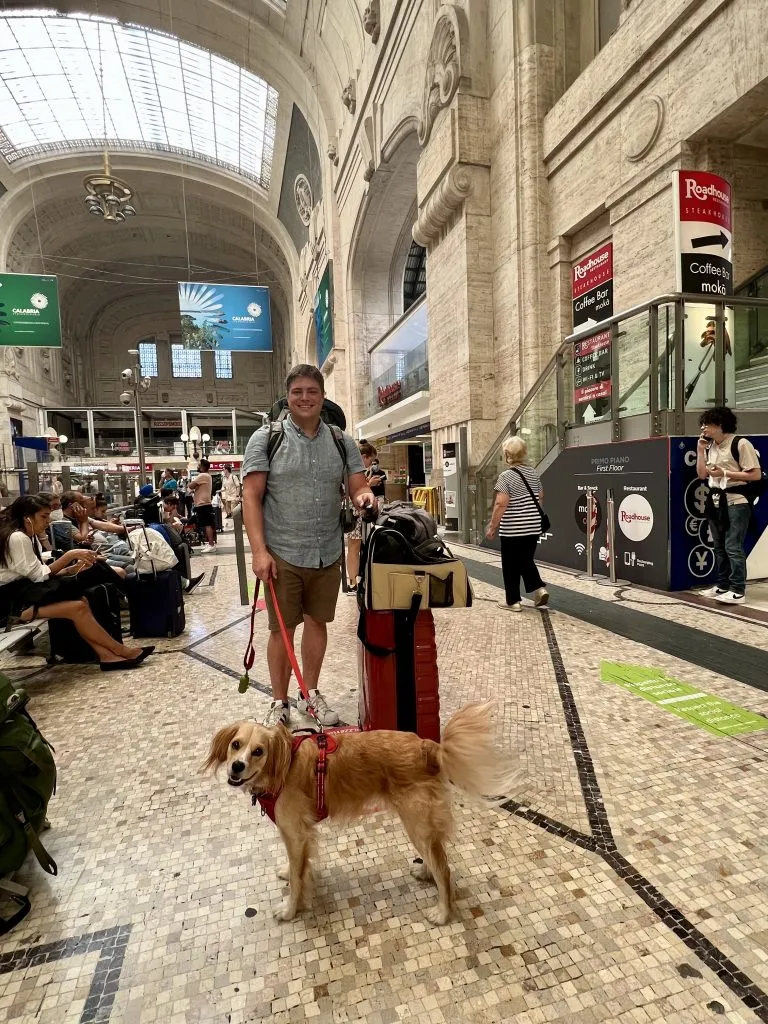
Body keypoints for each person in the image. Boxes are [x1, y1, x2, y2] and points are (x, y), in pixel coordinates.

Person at [242, 364, 375, 727]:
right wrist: (259, 551)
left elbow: (357, 485)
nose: (304, 398)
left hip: (326, 550)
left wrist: (364, 497)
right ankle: (279, 700)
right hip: (282, 552)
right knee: (281, 628)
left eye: (311, 392)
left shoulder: (340, 440)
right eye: (297, 391)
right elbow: (251, 496)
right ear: (288, 397)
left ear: (322, 396)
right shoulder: (266, 438)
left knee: (318, 622)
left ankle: (309, 693)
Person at [0, 496, 153, 670]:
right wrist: (70, 556)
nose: (48, 521)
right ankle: (120, 649)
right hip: (12, 604)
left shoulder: (28, 536)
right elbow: (38, 575)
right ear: (27, 517)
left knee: (81, 602)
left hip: (25, 593)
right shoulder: (17, 538)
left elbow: (40, 572)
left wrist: (71, 569)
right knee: (84, 593)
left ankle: (108, 656)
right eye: (43, 516)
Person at [696, 406, 761, 604]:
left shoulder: (741, 444)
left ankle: (738, 590)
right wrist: (700, 450)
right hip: (716, 501)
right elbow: (702, 474)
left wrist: (725, 473)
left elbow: (755, 474)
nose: (703, 428)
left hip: (737, 501)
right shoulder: (711, 446)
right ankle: (722, 585)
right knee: (719, 546)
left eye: (708, 424)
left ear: (720, 425)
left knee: (733, 545)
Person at [485, 436, 549, 611]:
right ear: (524, 453)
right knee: (525, 559)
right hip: (533, 526)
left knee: (511, 564)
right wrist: (530, 515)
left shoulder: (505, 477)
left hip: (513, 529)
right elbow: (540, 496)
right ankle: (539, 589)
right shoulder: (533, 473)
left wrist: (492, 527)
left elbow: (500, 504)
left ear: (507, 455)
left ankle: (513, 601)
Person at [346, 441, 380, 590]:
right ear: (364, 457)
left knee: (357, 546)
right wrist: (369, 485)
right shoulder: (352, 470)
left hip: (357, 512)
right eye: (370, 461)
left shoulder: (357, 471)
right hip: (354, 512)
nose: (370, 465)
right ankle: (352, 581)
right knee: (354, 546)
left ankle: (354, 579)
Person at [189, 459, 217, 553]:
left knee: (207, 524)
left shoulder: (202, 475)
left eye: (199, 465)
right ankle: (210, 543)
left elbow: (191, 485)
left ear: (202, 467)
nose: (197, 467)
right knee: (206, 524)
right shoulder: (207, 476)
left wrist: (193, 485)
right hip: (204, 503)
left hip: (203, 504)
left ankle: (211, 544)